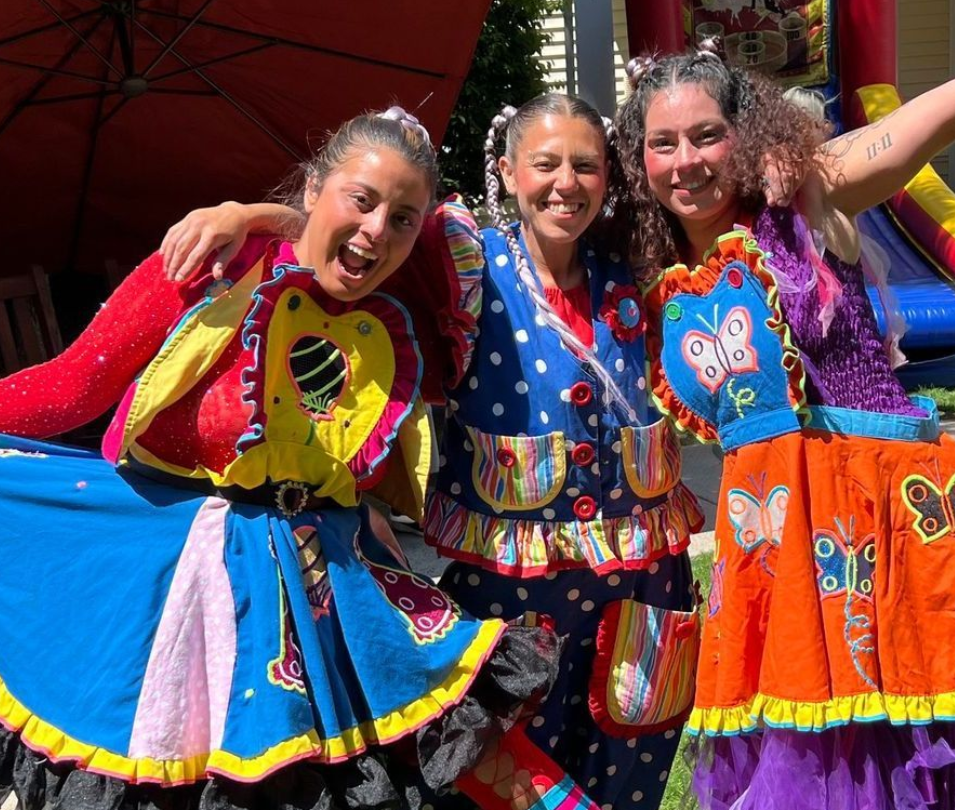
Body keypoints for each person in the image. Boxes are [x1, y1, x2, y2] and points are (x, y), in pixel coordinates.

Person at [0, 108, 560, 810]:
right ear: (312, 189)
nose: (375, 231)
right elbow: (68, 389)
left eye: (401, 218)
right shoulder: (212, 271)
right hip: (182, 587)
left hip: (326, 589)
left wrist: (254, 210)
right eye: (359, 201)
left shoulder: (393, 320)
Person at [612, 0, 955, 805]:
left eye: (706, 135)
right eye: (663, 143)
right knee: (810, 770)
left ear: (746, 136)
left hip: (889, 529)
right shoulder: (644, 273)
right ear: (638, 160)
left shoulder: (810, 196)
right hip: (773, 556)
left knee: (901, 773)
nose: (685, 161)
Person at [160, 92, 728, 810]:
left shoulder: (637, 263)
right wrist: (248, 216)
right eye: (545, 163)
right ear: (507, 172)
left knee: (631, 774)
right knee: (508, 786)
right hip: (512, 608)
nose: (566, 183)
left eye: (585, 166)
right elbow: (357, 233)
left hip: (643, 600)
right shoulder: (464, 266)